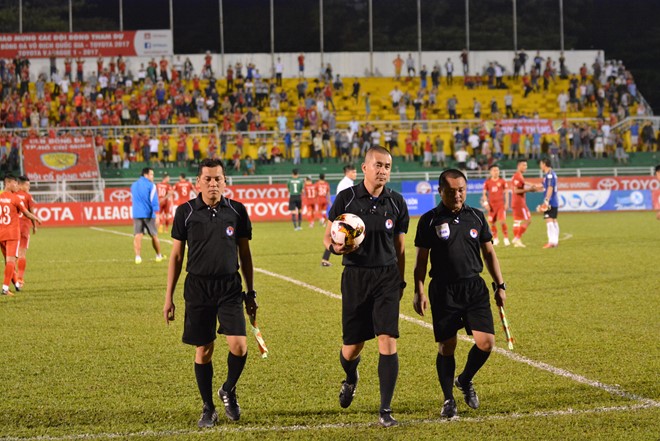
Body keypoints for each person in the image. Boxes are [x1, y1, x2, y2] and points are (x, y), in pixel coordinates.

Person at [163, 158, 256, 428]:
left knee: (239, 347)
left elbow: (245, 254)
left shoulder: (237, 211)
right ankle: (208, 407)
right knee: (203, 350)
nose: (213, 183)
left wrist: (250, 293)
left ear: (225, 182)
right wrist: (168, 297)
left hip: (229, 286)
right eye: (208, 179)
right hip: (198, 288)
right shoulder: (186, 212)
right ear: (198, 183)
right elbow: (177, 256)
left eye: (218, 179)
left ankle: (227, 389)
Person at [323, 146, 409, 427]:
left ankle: (385, 410)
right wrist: (335, 248)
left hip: (386, 277)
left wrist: (401, 280)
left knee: (388, 339)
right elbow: (328, 237)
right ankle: (350, 376)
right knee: (352, 347)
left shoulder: (397, 202)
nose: (383, 170)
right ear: (364, 167)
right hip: (355, 276)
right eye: (378, 165)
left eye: (387, 166)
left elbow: (401, 248)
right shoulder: (346, 198)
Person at [412, 168, 507, 418]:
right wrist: (418, 289)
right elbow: (421, 261)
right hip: (443, 290)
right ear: (440, 191)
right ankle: (448, 399)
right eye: (452, 191)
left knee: (486, 343)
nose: (457, 195)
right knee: (447, 346)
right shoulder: (429, 220)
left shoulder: (476, 216)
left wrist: (500, 284)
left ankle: (464, 380)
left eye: (461, 190)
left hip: (474, 287)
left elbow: (488, 253)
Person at [0, 175, 41, 296]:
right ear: (8, 183)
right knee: (11, 261)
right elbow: (27, 213)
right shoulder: (16, 198)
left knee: (7, 261)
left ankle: (16, 284)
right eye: (14, 183)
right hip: (13, 233)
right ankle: (5, 288)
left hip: (1, 233)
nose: (16, 185)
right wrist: (37, 219)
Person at [320, 165, 357, 267]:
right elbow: (344, 201)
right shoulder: (345, 184)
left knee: (340, 237)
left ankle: (325, 259)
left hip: (344, 214)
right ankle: (325, 259)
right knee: (337, 237)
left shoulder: (347, 182)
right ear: (347, 173)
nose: (355, 174)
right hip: (343, 214)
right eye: (353, 172)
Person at [131, 167, 165, 264]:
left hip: (137, 213)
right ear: (146, 175)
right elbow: (154, 200)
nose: (153, 176)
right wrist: (157, 214)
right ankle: (158, 255)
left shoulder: (134, 185)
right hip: (148, 214)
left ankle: (137, 257)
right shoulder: (151, 185)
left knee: (138, 235)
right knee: (154, 235)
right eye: (152, 174)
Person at [15, 176, 37, 289]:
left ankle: (11, 279)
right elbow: (31, 212)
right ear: (21, 184)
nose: (29, 187)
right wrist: (34, 226)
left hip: (12, 229)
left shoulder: (12, 195)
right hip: (23, 227)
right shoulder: (28, 196)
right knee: (22, 254)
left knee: (12, 255)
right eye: (27, 185)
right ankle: (20, 279)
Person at [510, 159, 539, 247]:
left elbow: (522, 183)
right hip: (519, 202)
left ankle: (517, 242)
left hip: (515, 202)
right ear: (518, 166)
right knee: (528, 220)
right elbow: (516, 190)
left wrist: (530, 184)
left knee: (517, 222)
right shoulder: (518, 176)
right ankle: (517, 238)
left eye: (526, 165)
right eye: (523, 165)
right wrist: (529, 189)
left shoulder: (517, 176)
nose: (525, 167)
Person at [481, 165, 510, 246]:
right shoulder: (487, 182)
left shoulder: (502, 181)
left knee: (502, 221)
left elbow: (506, 192)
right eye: (494, 170)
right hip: (491, 206)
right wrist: (486, 203)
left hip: (501, 205)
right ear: (490, 172)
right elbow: (484, 194)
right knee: (492, 223)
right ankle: (496, 238)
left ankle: (506, 238)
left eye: (497, 170)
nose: (496, 172)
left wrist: (507, 203)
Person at [539, 158, 559, 248]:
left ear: (544, 164)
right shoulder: (550, 174)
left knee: (549, 219)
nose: (540, 166)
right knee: (554, 220)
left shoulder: (550, 175)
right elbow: (544, 186)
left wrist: (546, 201)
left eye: (541, 164)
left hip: (550, 201)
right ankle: (555, 241)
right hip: (554, 200)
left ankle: (551, 242)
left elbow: (550, 188)